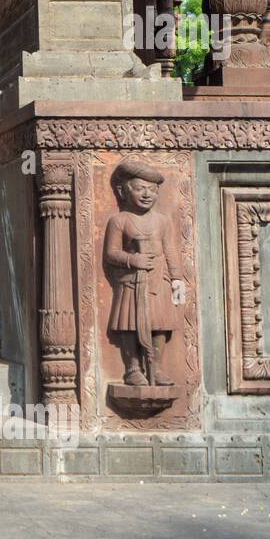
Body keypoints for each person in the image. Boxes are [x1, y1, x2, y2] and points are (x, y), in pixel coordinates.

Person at [103, 159, 183, 386]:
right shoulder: (119, 220)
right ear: (124, 191)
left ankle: (155, 367)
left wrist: (177, 279)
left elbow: (170, 250)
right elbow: (111, 253)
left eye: (152, 190)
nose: (146, 195)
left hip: (158, 279)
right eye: (139, 189)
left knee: (159, 324)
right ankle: (133, 368)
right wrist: (132, 260)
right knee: (129, 324)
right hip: (131, 281)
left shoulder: (162, 221)